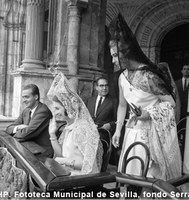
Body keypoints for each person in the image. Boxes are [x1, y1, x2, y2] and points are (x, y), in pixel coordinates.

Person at [109, 13, 182, 180]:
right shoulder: (122, 77)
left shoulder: (149, 76)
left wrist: (148, 114)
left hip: (151, 134)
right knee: (130, 175)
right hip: (131, 131)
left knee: (149, 177)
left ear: (126, 54)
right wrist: (118, 129)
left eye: (115, 56)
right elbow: (122, 105)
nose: (113, 60)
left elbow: (170, 104)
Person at [47, 71, 103, 175]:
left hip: (80, 178)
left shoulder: (83, 129)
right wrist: (52, 135)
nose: (54, 112)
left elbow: (88, 164)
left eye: (57, 108)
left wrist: (65, 162)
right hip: (67, 173)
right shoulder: (69, 126)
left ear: (68, 108)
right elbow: (60, 155)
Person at [6, 84, 53, 158]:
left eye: (27, 97)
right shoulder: (26, 110)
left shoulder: (43, 111)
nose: (24, 100)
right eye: (23, 97)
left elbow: (27, 133)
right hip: (29, 148)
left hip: (41, 153)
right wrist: (18, 127)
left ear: (36, 97)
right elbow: (8, 128)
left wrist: (13, 135)